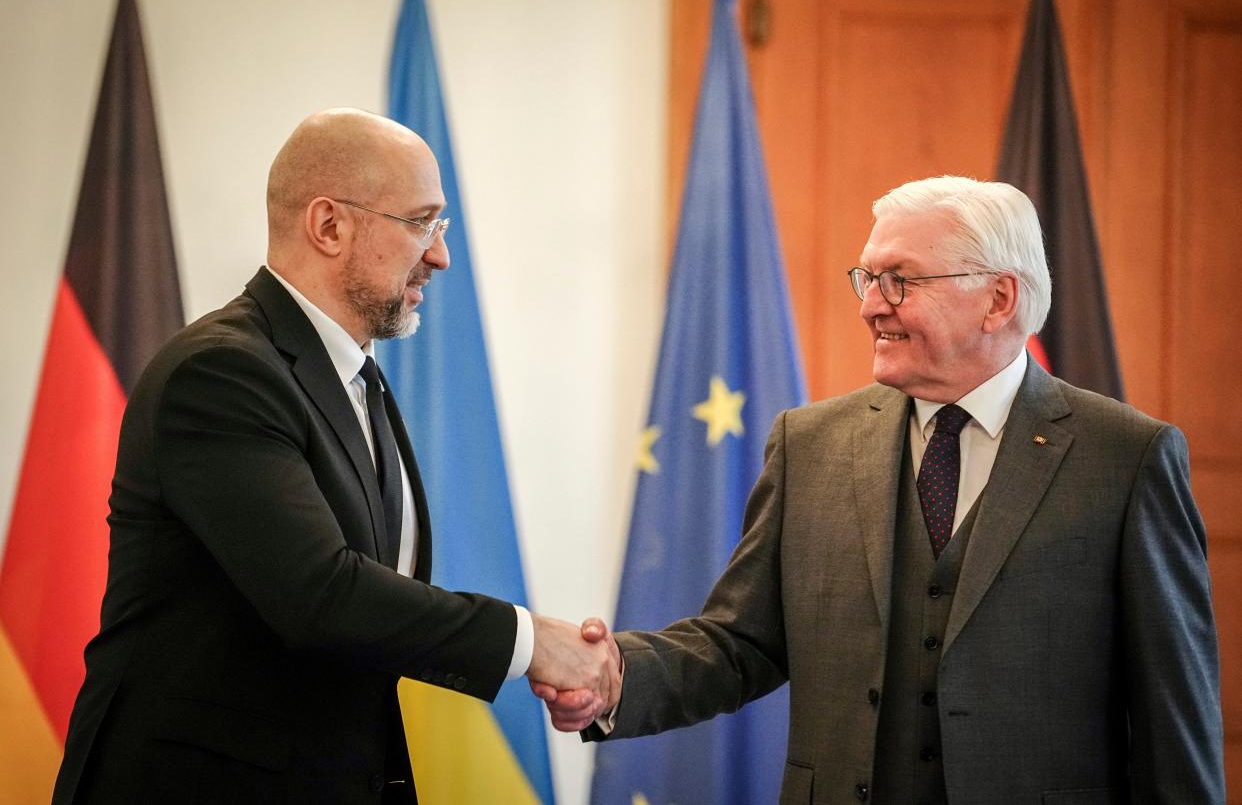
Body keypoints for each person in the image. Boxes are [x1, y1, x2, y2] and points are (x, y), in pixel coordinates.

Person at [539, 176, 1225, 803]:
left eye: (900, 280)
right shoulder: (808, 445)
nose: (871, 306)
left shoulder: (1125, 458)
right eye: (867, 278)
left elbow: (1173, 714)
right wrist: (617, 677)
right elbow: (740, 642)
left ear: (999, 298)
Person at [52, 108, 618, 805]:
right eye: (422, 224)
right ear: (329, 226)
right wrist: (532, 642)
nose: (440, 255)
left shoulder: (357, 377)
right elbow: (323, 596)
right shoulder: (222, 374)